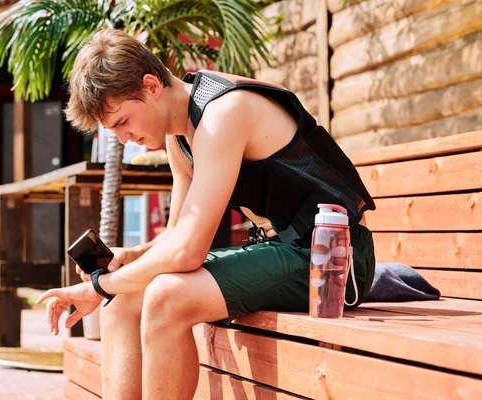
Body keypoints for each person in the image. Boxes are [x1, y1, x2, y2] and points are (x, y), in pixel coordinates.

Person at [36, 28, 376, 400]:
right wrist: (130, 257)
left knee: (165, 295)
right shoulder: (177, 135)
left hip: (332, 263)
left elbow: (188, 252)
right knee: (123, 304)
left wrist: (96, 287)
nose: (123, 138)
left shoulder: (223, 113)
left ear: (151, 86)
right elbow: (178, 235)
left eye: (122, 122)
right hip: (285, 253)